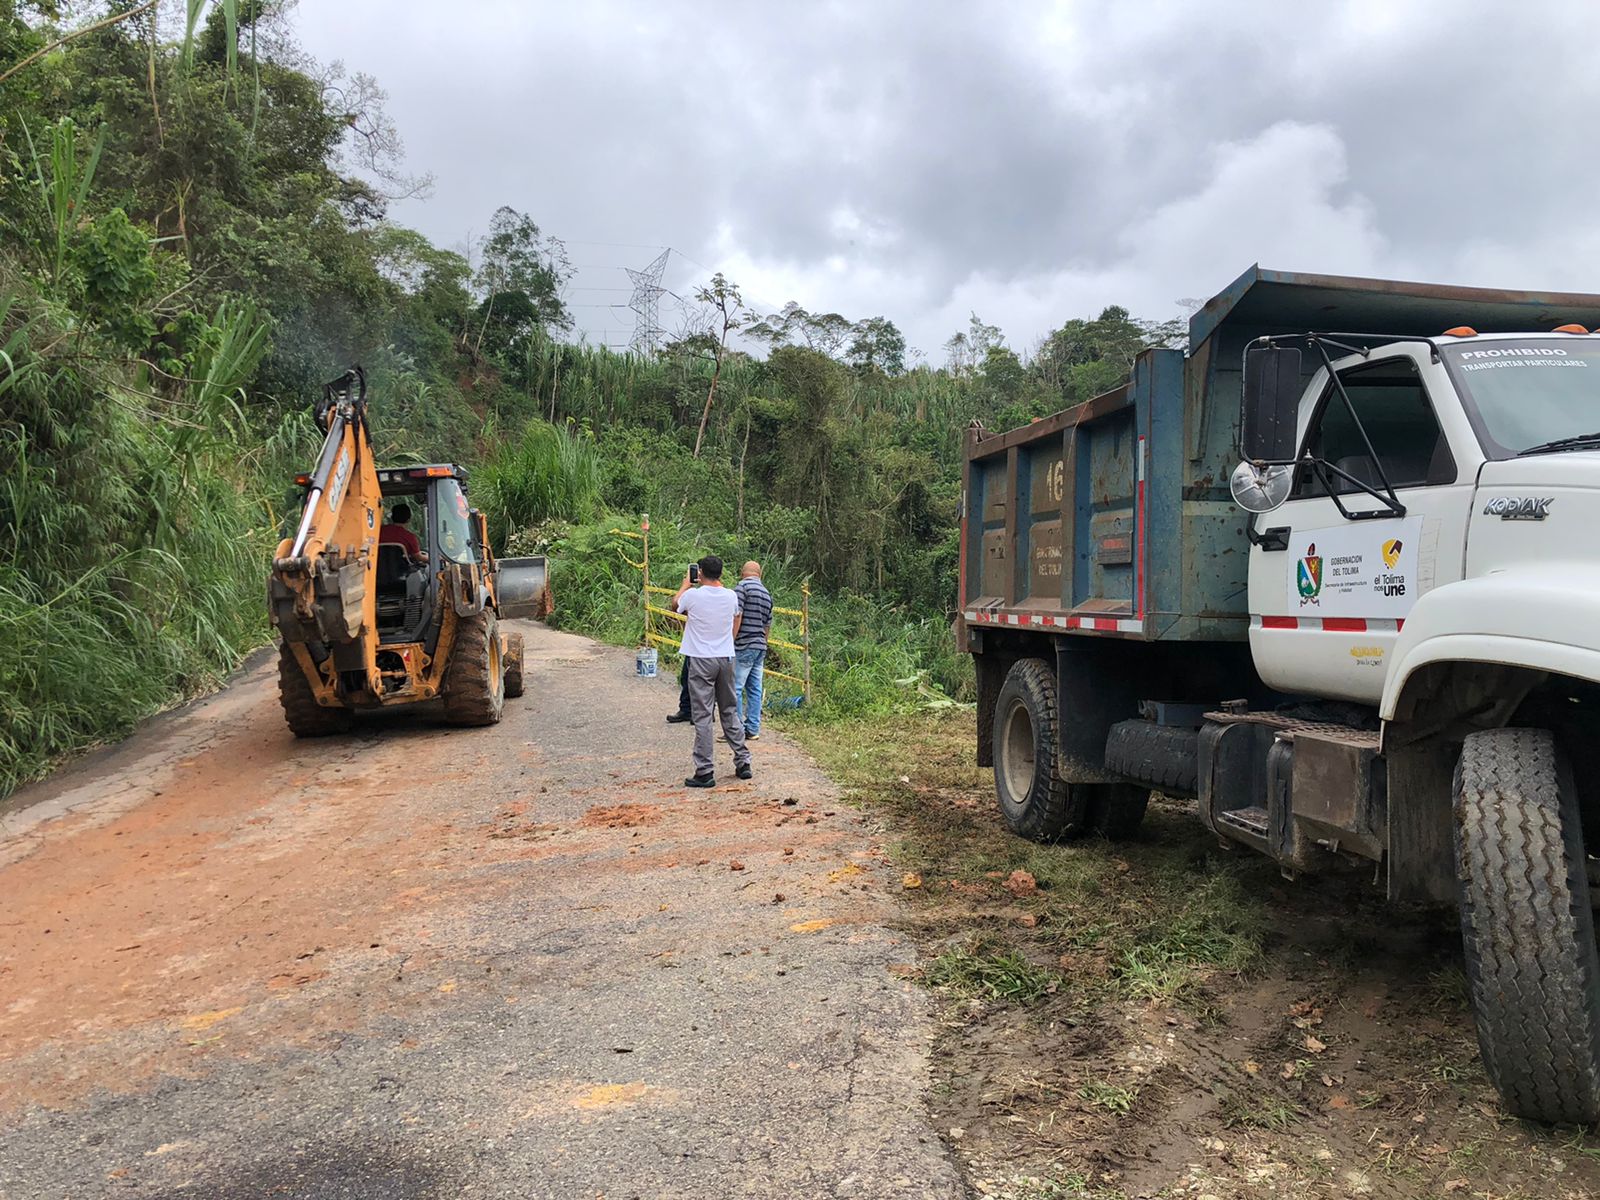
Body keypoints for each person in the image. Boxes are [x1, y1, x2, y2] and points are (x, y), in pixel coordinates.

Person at [673, 555, 752, 788]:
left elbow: (675, 607)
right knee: (729, 710)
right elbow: (737, 616)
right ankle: (743, 762)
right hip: (726, 658)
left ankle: (705, 770)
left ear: (700, 573)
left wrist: (685, 584)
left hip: (701, 659)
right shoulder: (731, 596)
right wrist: (729, 640)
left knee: (703, 715)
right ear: (721, 573)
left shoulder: (693, 595)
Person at [732, 561, 773, 740]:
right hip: (760, 646)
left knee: (735, 687)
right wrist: (763, 643)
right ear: (759, 574)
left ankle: (736, 729)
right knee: (755, 688)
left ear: (743, 573)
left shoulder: (742, 588)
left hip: (744, 644)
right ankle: (753, 729)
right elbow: (768, 624)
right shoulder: (766, 593)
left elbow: (737, 614)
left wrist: (731, 640)